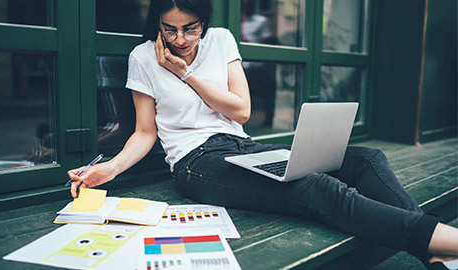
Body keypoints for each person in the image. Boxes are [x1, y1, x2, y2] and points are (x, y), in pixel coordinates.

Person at [67, 0, 458, 269]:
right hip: (198, 164)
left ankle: (432, 251)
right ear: (158, 25)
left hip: (244, 147)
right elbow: (144, 132)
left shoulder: (220, 41)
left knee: (367, 159)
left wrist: (185, 74)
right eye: (169, 29)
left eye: (190, 28)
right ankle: (447, 243)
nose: (180, 39)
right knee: (314, 187)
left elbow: (241, 110)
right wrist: (110, 170)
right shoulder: (142, 58)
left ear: (204, 21)